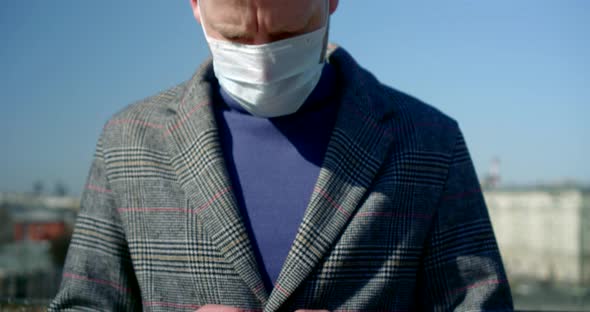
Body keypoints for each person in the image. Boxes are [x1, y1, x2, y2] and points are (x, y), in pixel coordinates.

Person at [49, 0, 514, 311]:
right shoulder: (128, 141)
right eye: (235, 38)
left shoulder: (430, 141)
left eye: (290, 32)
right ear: (193, 3)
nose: (263, 59)